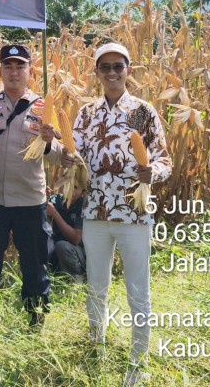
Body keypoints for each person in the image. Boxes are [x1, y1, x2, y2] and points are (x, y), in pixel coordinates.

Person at [69, 42, 172, 387]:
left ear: (128, 70)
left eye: (118, 66)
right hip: (95, 212)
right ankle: (95, 349)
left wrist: (153, 172)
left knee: (137, 291)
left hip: (134, 214)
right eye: (105, 67)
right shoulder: (87, 114)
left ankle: (138, 363)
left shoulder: (142, 111)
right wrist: (55, 147)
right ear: (96, 72)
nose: (112, 73)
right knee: (96, 287)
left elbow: (164, 159)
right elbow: (73, 156)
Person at [0, 44, 62, 326]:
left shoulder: (43, 107)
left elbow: (60, 156)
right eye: (8, 66)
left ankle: (36, 316)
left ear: (30, 71)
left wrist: (49, 141)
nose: (14, 72)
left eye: (20, 66)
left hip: (30, 201)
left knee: (35, 263)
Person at [46, 182, 86, 283]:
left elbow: (76, 239)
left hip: (76, 251)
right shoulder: (55, 200)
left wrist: (55, 213)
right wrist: (43, 200)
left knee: (62, 246)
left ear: (83, 192)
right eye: (69, 184)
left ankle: (76, 279)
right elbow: (42, 223)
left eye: (75, 187)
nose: (70, 189)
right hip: (56, 247)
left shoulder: (83, 205)